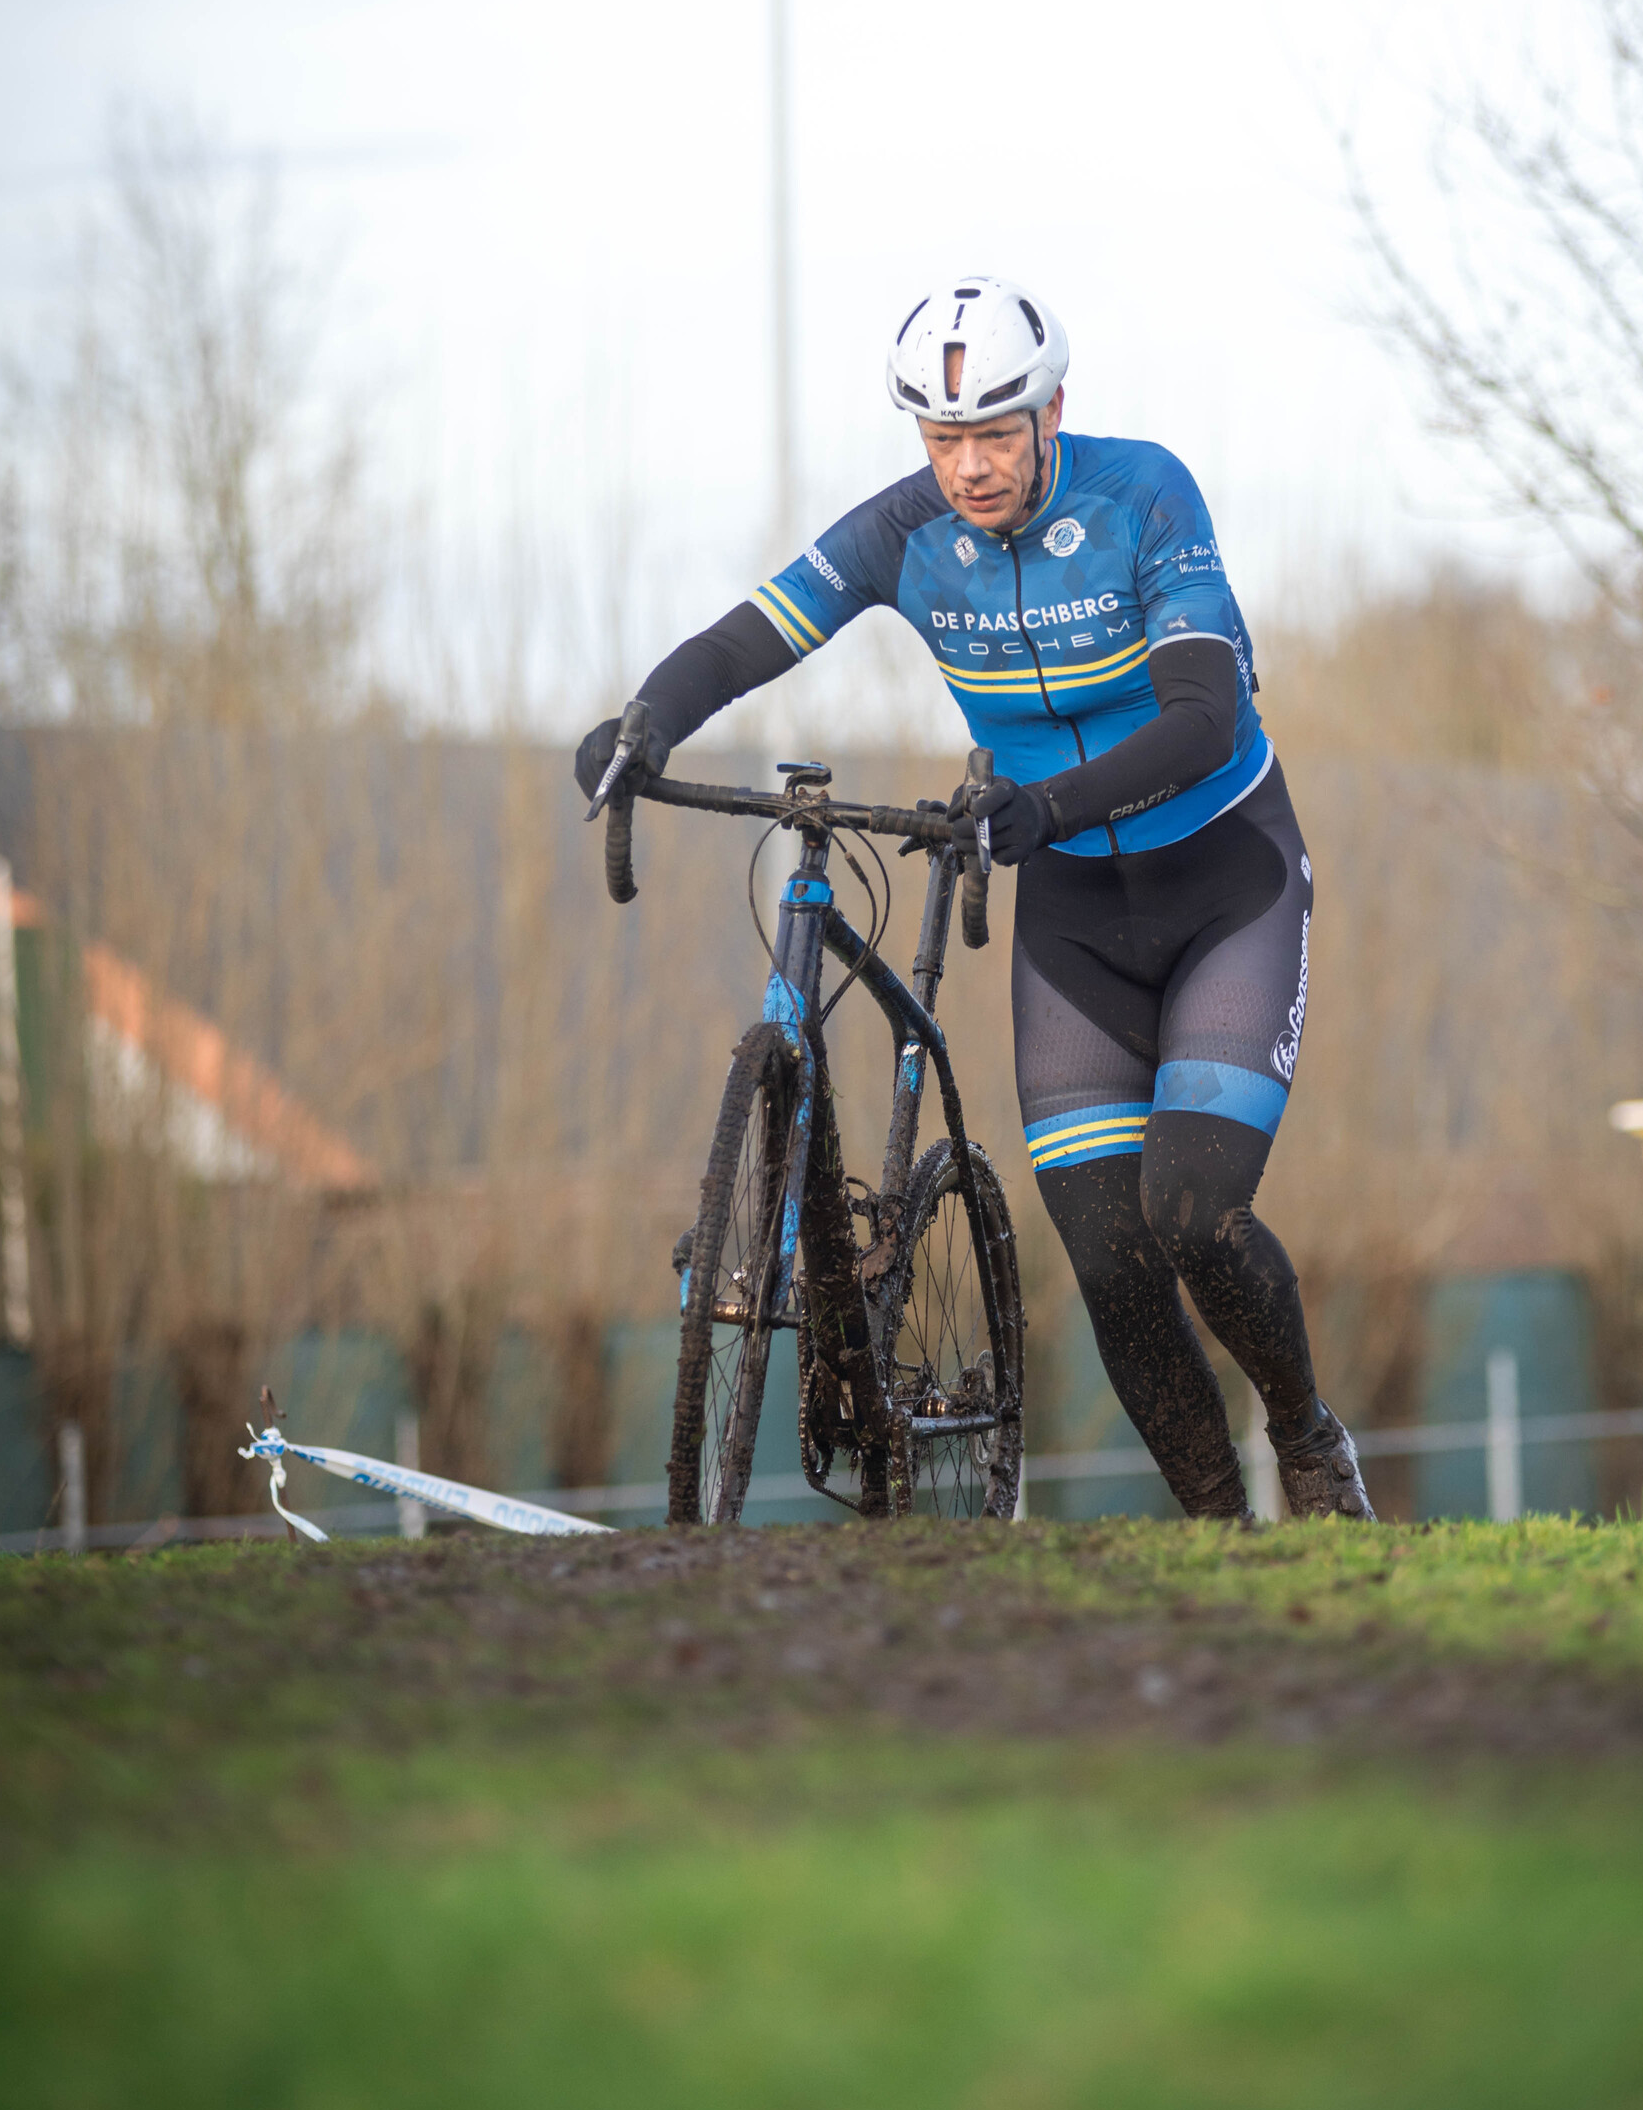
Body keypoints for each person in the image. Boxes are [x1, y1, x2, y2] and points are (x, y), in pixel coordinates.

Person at [576, 277, 1374, 1524]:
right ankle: (1227, 1541)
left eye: (995, 434)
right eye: (943, 441)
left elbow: (1201, 716)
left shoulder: (1140, 493)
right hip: (1073, 920)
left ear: (1056, 410)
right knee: (1110, 1259)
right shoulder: (906, 531)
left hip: (1224, 882)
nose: (969, 468)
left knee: (1190, 1208)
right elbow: (756, 637)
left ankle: (1308, 1441)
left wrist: (1045, 806)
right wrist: (645, 724)